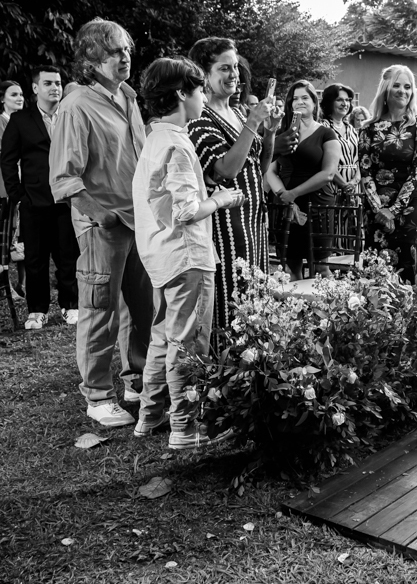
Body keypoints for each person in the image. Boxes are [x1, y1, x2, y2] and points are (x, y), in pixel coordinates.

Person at [132, 57, 245, 449]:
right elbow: (186, 210)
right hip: (188, 256)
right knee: (190, 341)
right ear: (183, 94)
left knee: (162, 336)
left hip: (161, 255)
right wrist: (222, 199)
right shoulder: (178, 144)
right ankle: (185, 427)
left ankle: (150, 416)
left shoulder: (155, 138)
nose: (202, 99)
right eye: (199, 91)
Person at [50, 18, 154, 428]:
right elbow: (63, 177)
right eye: (113, 51)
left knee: (141, 309)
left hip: (138, 221)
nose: (124, 57)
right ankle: (97, 396)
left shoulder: (128, 96)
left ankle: (138, 381)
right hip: (103, 225)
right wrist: (100, 214)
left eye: (126, 50)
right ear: (90, 59)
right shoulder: (75, 104)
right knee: (100, 310)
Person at [187, 37, 283, 335]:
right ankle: (228, 365)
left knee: (255, 291)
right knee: (232, 292)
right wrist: (253, 124)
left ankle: (256, 362)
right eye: (224, 68)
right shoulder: (200, 118)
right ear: (204, 74)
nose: (234, 75)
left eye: (235, 68)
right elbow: (225, 171)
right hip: (227, 222)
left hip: (254, 218)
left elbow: (260, 167)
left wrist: (269, 134)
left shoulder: (240, 113)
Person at [0, 65, 79, 330]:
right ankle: (37, 310)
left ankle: (71, 305)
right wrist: (18, 195)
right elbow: (8, 161)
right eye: (48, 83)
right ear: (35, 88)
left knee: (68, 256)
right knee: (35, 259)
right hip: (34, 200)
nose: (55, 87)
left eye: (57, 83)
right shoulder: (20, 120)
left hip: (67, 200)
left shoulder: (71, 116)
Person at [358, 65, 417, 284]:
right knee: (376, 266)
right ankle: (374, 318)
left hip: (410, 204)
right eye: (397, 85)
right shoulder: (368, 127)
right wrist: (379, 209)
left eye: (408, 86)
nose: (403, 91)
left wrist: (393, 210)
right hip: (375, 206)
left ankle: (411, 316)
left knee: (408, 265)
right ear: (385, 89)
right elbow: (365, 171)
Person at [264, 81, 340, 280]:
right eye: (294, 99)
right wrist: (282, 193)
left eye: (305, 97)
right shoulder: (281, 134)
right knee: (292, 268)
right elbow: (270, 169)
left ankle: (327, 310)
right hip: (286, 207)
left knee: (321, 268)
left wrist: (294, 193)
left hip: (318, 206)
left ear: (314, 103)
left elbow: (329, 173)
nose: (299, 102)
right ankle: (295, 310)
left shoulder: (326, 133)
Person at [320, 84, 360, 199]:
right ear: (329, 102)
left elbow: (361, 160)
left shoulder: (352, 129)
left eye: (347, 100)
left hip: (354, 187)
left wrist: (355, 181)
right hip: (333, 186)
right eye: (339, 100)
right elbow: (325, 162)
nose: (345, 104)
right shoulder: (322, 128)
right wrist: (344, 185)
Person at [0, 81, 24, 198]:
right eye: (14, 95)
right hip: (8, 176)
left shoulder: (26, 122)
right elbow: (6, 154)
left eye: (21, 94)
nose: (20, 98)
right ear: (2, 99)